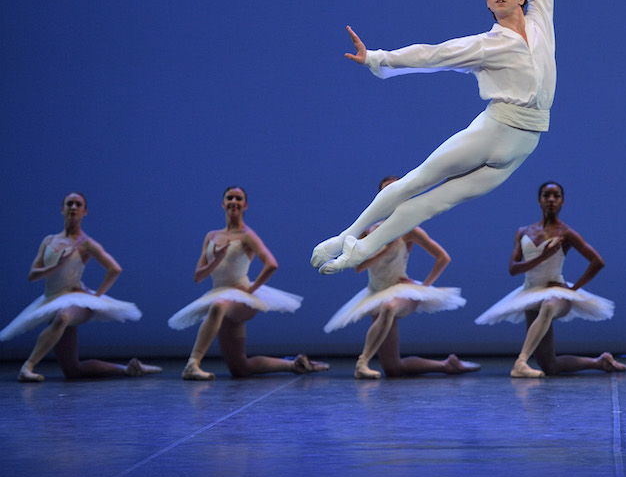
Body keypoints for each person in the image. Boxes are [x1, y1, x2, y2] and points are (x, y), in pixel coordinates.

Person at [311, 0, 556, 274]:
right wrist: (377, 57)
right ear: (488, 1)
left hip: (525, 143)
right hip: (496, 128)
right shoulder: (486, 44)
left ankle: (361, 250)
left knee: (432, 204)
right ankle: (346, 235)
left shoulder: (541, 19)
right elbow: (433, 54)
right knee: (417, 181)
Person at [324, 177, 479, 378]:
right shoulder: (368, 232)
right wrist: (383, 249)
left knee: (388, 307)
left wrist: (424, 287)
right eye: (385, 191)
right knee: (393, 367)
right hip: (375, 292)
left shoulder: (409, 229)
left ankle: (362, 363)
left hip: (400, 290)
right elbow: (359, 268)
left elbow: (443, 257)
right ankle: (447, 365)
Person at [169, 187, 328, 380]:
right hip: (219, 293)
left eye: (238, 198)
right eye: (229, 198)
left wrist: (250, 290)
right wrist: (217, 259)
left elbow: (271, 264)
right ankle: (295, 364)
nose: (233, 201)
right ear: (223, 203)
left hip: (239, 298)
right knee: (239, 368)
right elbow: (198, 276)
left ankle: (192, 364)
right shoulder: (211, 236)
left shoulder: (246, 235)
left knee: (218, 305)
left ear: (245, 205)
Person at [1, 192, 160, 382]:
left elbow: (115, 269)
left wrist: (97, 297)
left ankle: (27, 367)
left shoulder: (86, 243)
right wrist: (54, 266)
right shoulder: (49, 241)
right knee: (72, 370)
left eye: (78, 204)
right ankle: (128, 368)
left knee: (63, 317)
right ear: (62, 209)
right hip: (52, 299)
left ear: (85, 212)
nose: (73, 207)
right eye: (69, 204)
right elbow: (32, 275)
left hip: (76, 299)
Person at [475, 182, 626, 378]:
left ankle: (520, 362)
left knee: (547, 307)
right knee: (549, 366)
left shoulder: (566, 233)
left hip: (556, 293)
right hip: (530, 293)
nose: (551, 200)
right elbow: (513, 269)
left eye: (556, 196)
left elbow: (598, 261)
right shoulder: (523, 231)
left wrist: (574, 289)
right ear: (539, 200)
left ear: (562, 201)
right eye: (547, 195)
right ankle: (601, 362)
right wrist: (542, 257)